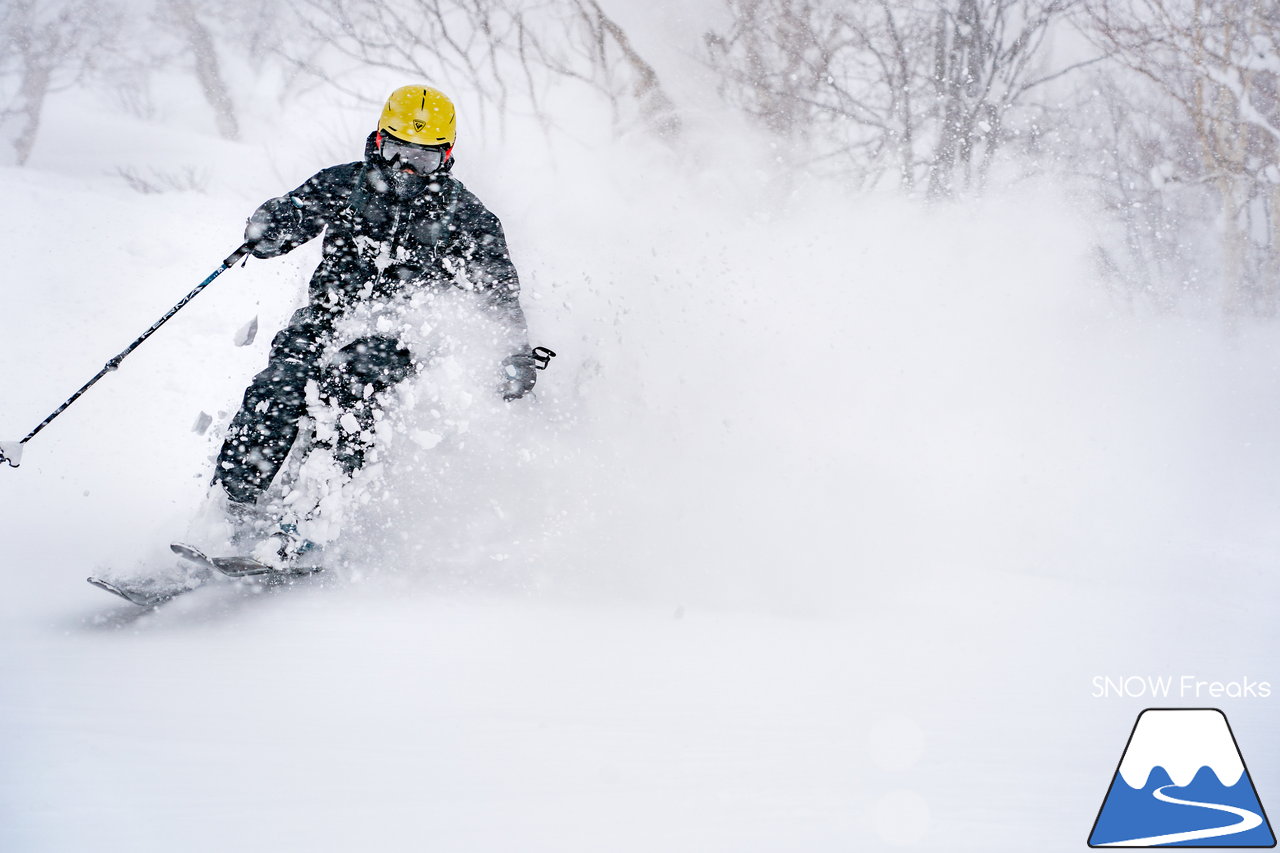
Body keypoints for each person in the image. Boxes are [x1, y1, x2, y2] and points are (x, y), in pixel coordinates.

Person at [210, 84, 537, 564]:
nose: (405, 167)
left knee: (348, 389)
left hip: (400, 332)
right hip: (326, 318)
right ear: (378, 140)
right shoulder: (345, 185)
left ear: (446, 157)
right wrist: (267, 229)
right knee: (277, 387)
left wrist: (516, 351)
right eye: (396, 150)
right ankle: (229, 514)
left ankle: (308, 523)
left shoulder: (467, 217)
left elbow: (498, 291)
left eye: (422, 159)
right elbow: (290, 220)